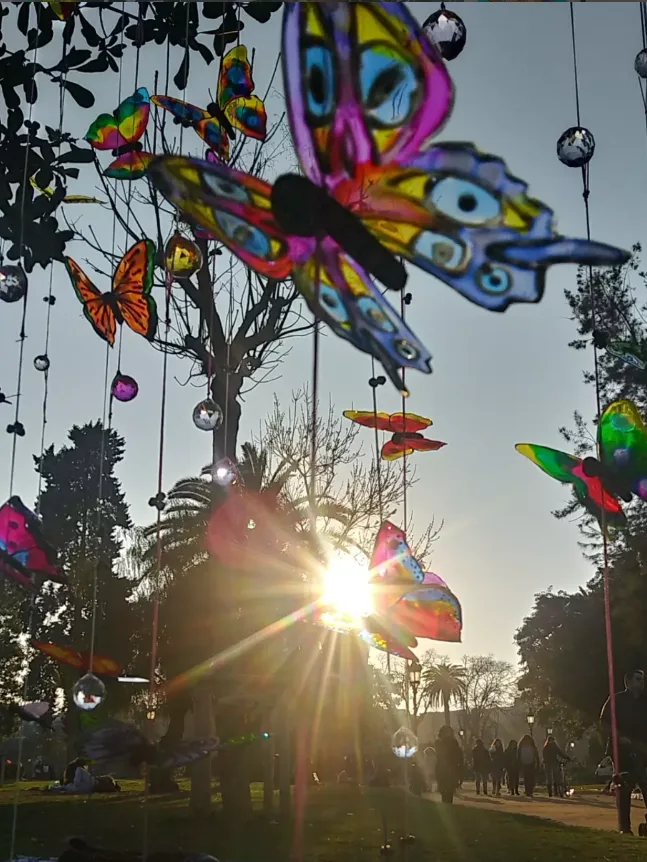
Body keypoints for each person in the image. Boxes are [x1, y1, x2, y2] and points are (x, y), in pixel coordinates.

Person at [600, 668, 647, 834]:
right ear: (628, 682)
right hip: (622, 751)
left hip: (642, 749)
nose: (642, 683)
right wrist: (619, 737)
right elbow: (604, 722)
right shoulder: (616, 700)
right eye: (638, 679)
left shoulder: (644, 701)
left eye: (642, 679)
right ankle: (624, 827)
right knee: (624, 786)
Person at [435, 725, 463, 804]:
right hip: (451, 769)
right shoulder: (453, 742)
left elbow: (438, 756)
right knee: (449, 791)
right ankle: (448, 805)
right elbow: (459, 757)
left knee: (444, 791)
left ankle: (446, 804)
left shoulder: (439, 742)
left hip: (443, 769)